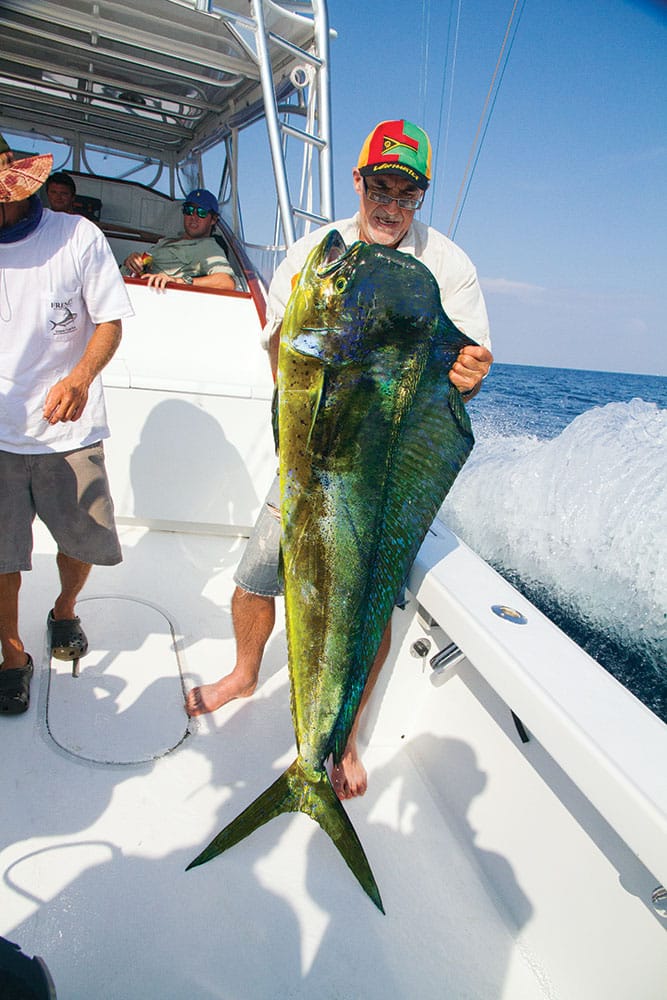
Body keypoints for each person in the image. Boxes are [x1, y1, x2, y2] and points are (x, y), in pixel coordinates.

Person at [186, 119, 494, 798]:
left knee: (365, 604)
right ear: (357, 181)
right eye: (378, 186)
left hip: (382, 472)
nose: (389, 204)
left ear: (419, 198)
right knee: (257, 576)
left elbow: (469, 364)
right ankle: (243, 672)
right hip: (310, 454)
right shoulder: (315, 249)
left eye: (405, 194)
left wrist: (472, 372)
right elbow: (278, 351)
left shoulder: (449, 264)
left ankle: (340, 739)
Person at [0, 135, 134, 715]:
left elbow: (109, 321)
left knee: (81, 543)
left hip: (70, 432)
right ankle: (11, 657)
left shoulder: (78, 235)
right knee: (1, 557)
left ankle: (64, 611)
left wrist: (80, 377)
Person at [121, 188, 236, 291]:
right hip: (123, 280)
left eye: (201, 212)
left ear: (213, 220)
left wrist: (179, 281)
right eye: (189, 210)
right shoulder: (167, 240)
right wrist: (132, 260)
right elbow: (146, 264)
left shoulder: (208, 247)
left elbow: (226, 282)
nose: (193, 217)